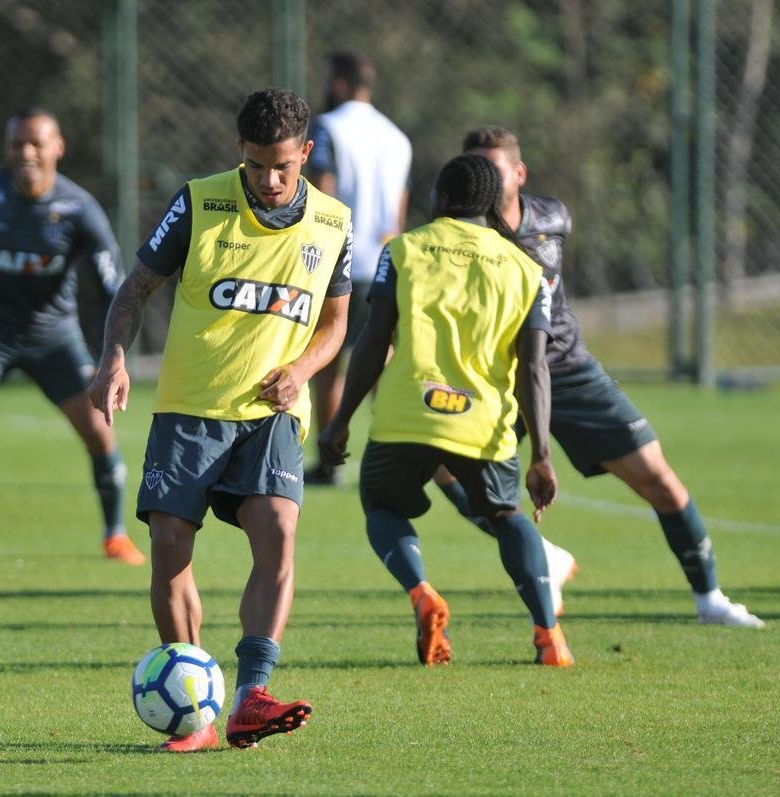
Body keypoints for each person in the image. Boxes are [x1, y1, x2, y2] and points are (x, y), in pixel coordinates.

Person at [88, 88, 353, 751]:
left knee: (278, 534)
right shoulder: (199, 202)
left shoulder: (333, 221)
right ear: (240, 151)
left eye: (283, 167)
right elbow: (135, 287)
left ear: (306, 155)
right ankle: (195, 710)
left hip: (271, 413)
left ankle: (251, 695)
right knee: (171, 544)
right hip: (189, 408)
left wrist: (302, 371)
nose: (269, 179)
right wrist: (112, 361)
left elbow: (336, 321)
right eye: (258, 164)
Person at [436, 126, 763, 628]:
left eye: (493, 168)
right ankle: (542, 551)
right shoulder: (458, 238)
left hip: (566, 369)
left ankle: (711, 599)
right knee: (441, 467)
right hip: (496, 379)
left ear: (519, 174)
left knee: (661, 482)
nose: (482, 178)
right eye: (473, 168)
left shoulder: (553, 218)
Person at [320, 153, 573, 668]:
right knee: (506, 516)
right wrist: (542, 454)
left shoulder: (404, 251)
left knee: (384, 507)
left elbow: (372, 340)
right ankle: (549, 635)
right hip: (483, 427)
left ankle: (422, 594)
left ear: (441, 199)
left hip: (406, 415)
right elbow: (533, 369)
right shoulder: (527, 272)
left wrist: (341, 418)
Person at [0, 108, 145, 566]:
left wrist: (110, 354)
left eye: (36, 143)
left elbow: (112, 287)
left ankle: (115, 534)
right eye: (17, 145)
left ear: (58, 147)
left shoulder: (79, 209)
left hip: (53, 336)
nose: (26, 154)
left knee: (99, 433)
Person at [304, 50, 412, 485]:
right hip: (386, 265)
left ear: (341, 84)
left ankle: (330, 463)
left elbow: (322, 195)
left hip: (339, 265)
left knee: (327, 360)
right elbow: (399, 213)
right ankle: (401, 453)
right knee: (380, 365)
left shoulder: (329, 128)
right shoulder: (397, 137)